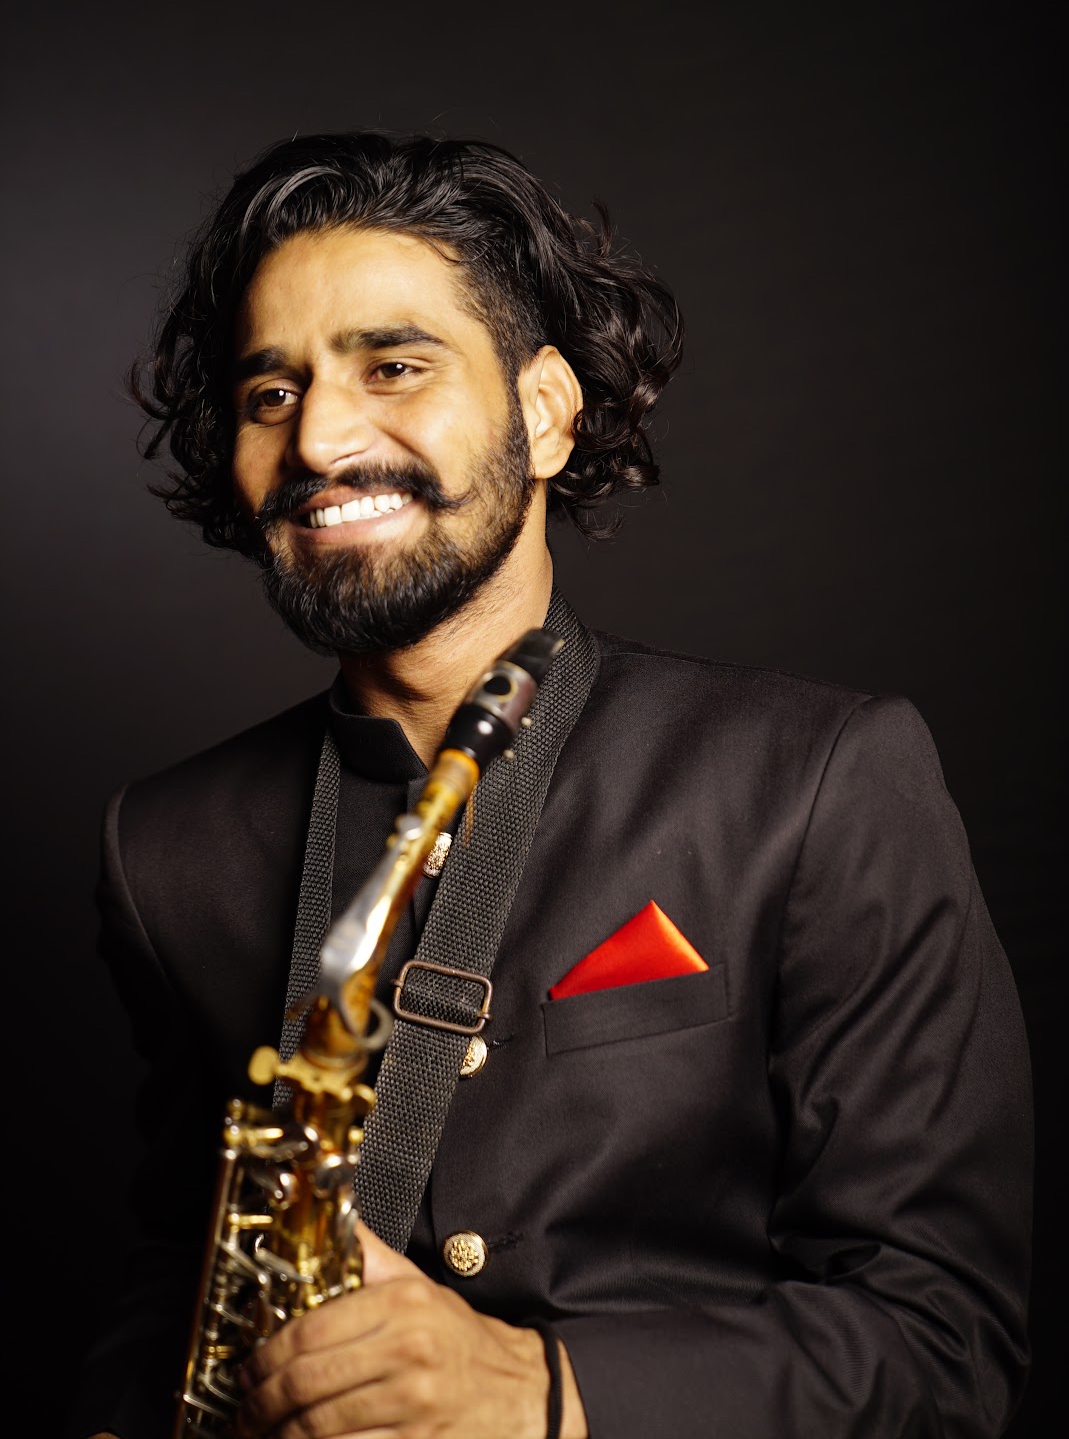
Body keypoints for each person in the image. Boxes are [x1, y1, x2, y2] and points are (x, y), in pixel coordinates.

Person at [67, 131, 1032, 1439]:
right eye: (271, 392)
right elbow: (163, 1279)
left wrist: (540, 1391)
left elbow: (944, 1346)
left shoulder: (818, 779)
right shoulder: (163, 848)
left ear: (543, 411)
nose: (321, 439)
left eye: (393, 366)